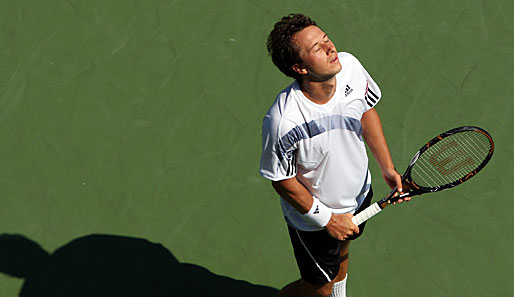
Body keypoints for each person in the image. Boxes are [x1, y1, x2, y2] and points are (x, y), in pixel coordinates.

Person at [259, 14, 409, 297]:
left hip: (358, 195)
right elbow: (281, 180)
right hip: (314, 221)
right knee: (319, 287)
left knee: (342, 254)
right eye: (317, 48)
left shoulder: (350, 67)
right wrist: (328, 219)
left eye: (326, 39)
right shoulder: (284, 120)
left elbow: (365, 112)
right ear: (299, 67)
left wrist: (387, 168)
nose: (330, 48)